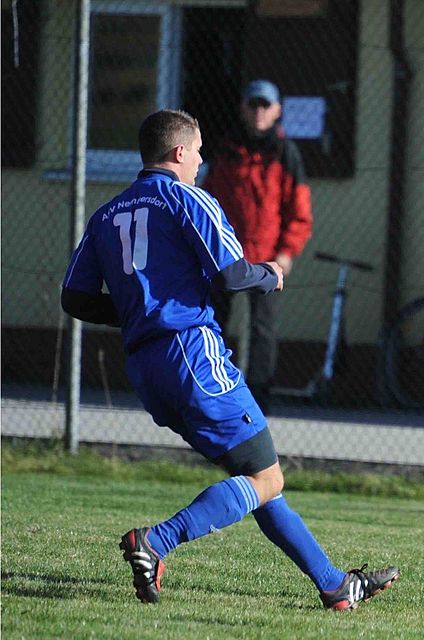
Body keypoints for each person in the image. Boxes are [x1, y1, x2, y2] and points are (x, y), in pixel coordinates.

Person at [60, 109, 397, 610]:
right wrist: (269, 274)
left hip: (147, 370)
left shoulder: (107, 213)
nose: (201, 161)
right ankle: (157, 541)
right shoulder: (188, 198)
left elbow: (75, 298)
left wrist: (138, 313)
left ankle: (334, 586)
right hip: (193, 356)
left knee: (258, 480)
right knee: (266, 477)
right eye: (197, 152)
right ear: (178, 152)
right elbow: (231, 276)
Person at [204, 79, 313, 414]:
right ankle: (212, 392)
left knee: (263, 331)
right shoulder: (226, 150)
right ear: (243, 108)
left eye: (265, 106)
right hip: (224, 256)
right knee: (212, 325)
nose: (259, 112)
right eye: (253, 105)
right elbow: (208, 202)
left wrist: (286, 253)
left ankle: (257, 405)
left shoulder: (286, 154)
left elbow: (300, 212)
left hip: (266, 259)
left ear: (277, 110)